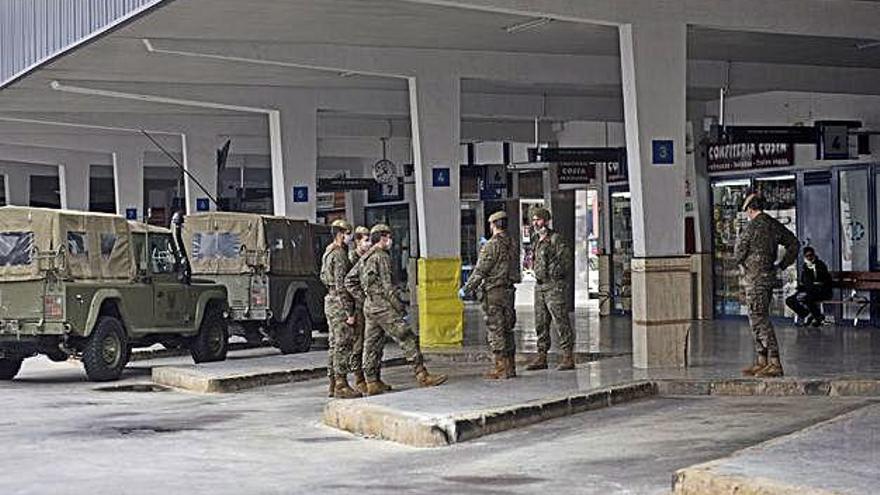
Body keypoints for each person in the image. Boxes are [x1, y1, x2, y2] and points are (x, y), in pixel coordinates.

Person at [351, 223, 447, 395]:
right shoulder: (381, 256)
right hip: (384, 307)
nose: (390, 240)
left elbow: (349, 281)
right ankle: (422, 374)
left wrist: (366, 297)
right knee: (407, 336)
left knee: (372, 344)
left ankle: (372, 382)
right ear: (382, 238)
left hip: (370, 308)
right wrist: (400, 308)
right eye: (388, 236)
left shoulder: (365, 258)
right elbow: (388, 288)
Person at [735, 193, 799, 378]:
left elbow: (738, 253)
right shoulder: (773, 224)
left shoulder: (751, 227)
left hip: (755, 280)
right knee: (758, 317)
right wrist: (782, 265)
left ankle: (774, 362)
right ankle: (761, 361)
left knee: (758, 319)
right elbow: (794, 244)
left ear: (750, 208)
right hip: (768, 277)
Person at [459, 210, 517, 379]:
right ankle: (510, 367)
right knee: (508, 328)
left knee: (495, 329)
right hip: (509, 291)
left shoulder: (491, 245)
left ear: (493, 225)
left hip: (494, 292)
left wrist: (466, 289)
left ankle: (500, 368)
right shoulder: (511, 242)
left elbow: (480, 271)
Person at [524, 206, 575, 371]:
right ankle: (541, 356)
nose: (536, 223)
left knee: (561, 321)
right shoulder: (535, 240)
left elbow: (566, 261)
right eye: (533, 220)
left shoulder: (555, 239)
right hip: (539, 285)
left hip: (553, 286)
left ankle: (568, 356)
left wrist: (555, 273)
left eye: (538, 220)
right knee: (540, 322)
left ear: (545, 220)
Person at [320, 218, 360, 399]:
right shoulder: (340, 255)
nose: (349, 238)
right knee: (342, 344)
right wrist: (349, 312)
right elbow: (342, 284)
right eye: (348, 234)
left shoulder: (327, 252)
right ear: (340, 234)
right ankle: (341, 384)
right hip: (339, 302)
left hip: (330, 299)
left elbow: (322, 276)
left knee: (333, 344)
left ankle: (333, 382)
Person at [347, 226, 373, 394]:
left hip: (368, 306)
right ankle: (358, 378)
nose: (369, 243)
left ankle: (372, 377)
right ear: (357, 241)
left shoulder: (368, 257)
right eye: (366, 240)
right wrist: (349, 311)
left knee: (369, 342)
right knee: (358, 342)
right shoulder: (351, 258)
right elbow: (348, 285)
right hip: (357, 306)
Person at [785, 247, 832, 327]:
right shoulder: (805, 267)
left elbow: (823, 280)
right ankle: (807, 315)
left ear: (814, 255)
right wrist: (800, 290)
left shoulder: (820, 265)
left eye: (811, 255)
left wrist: (814, 270)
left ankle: (818, 318)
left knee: (807, 298)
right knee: (790, 300)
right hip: (808, 290)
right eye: (807, 256)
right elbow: (805, 282)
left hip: (821, 291)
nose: (809, 258)